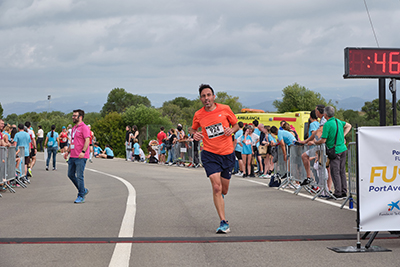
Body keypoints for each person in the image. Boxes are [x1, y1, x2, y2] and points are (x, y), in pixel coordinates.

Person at [192, 84, 239, 234]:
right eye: (203, 96)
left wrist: (232, 130)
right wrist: (194, 133)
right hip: (209, 154)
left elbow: (236, 125)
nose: (206, 98)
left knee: (224, 189)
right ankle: (223, 222)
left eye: (209, 95)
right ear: (200, 99)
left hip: (227, 154)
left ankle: (220, 196)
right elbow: (192, 128)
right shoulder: (198, 114)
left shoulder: (225, 109)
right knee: (216, 187)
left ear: (214, 96)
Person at [315, 106, 352, 200]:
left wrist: (315, 142)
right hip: (343, 148)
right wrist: (343, 135)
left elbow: (323, 140)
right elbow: (349, 125)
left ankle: (338, 192)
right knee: (342, 171)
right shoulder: (338, 121)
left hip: (334, 150)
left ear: (325, 114)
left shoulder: (327, 124)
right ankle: (344, 191)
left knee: (335, 172)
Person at [64, 109, 90, 204]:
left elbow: (87, 140)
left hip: (81, 156)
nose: (73, 117)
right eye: (73, 115)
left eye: (75, 116)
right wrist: (68, 151)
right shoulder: (74, 128)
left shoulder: (84, 127)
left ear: (80, 117)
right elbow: (73, 141)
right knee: (70, 174)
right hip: (73, 155)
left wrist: (83, 151)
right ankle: (82, 189)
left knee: (79, 176)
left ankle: (81, 195)